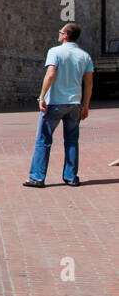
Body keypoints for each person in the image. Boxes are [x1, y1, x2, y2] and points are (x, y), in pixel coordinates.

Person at [24, 22, 93, 188]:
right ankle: (71, 177)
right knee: (71, 140)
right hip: (75, 103)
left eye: (61, 31)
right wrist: (86, 105)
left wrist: (41, 97)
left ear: (65, 35)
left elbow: (50, 74)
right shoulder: (85, 56)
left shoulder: (54, 52)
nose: (59, 33)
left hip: (55, 102)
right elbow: (89, 82)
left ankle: (37, 177)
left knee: (43, 139)